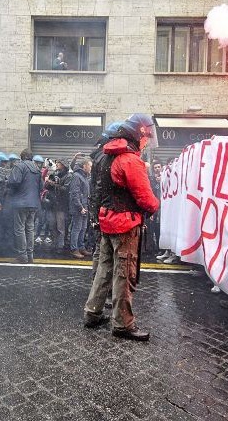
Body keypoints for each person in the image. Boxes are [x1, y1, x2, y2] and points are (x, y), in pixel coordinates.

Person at [83, 113, 160, 341]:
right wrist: (157, 206)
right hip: (125, 224)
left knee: (104, 270)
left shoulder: (106, 155)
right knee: (124, 273)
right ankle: (123, 324)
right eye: (147, 135)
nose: (147, 141)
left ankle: (92, 312)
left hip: (107, 220)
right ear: (139, 133)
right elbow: (146, 198)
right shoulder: (130, 160)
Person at [8, 149, 43, 264]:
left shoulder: (20, 166)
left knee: (20, 229)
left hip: (21, 203)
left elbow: (14, 182)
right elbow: (41, 187)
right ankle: (30, 255)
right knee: (30, 229)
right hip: (33, 204)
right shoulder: (37, 169)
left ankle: (22, 255)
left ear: (22, 157)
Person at [68, 157, 92, 258]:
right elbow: (75, 193)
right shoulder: (77, 176)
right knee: (77, 228)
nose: (91, 168)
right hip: (79, 207)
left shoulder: (84, 176)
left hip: (84, 206)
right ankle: (74, 249)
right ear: (84, 166)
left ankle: (81, 247)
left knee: (83, 228)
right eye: (90, 166)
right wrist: (80, 207)